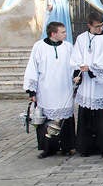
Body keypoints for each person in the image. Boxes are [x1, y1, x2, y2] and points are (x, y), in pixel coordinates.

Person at [23, 21, 76, 158]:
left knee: (65, 118)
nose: (65, 34)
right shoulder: (39, 47)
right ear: (53, 33)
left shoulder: (68, 47)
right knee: (46, 120)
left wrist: (76, 76)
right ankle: (48, 148)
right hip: (46, 90)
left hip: (64, 88)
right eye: (63, 32)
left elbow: (75, 64)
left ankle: (67, 146)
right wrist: (31, 91)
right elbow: (32, 68)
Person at [70, 12, 103, 157]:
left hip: (102, 84)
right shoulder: (81, 38)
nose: (99, 29)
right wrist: (80, 65)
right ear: (89, 25)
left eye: (101, 25)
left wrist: (92, 68)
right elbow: (75, 55)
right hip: (87, 84)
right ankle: (85, 147)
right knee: (86, 117)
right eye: (96, 26)